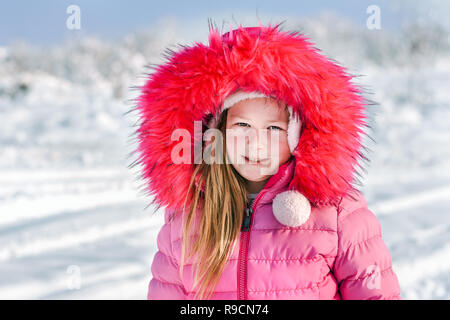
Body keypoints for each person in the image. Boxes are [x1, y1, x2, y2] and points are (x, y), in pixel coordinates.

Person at [135, 22, 402, 300]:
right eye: (242, 126)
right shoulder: (188, 218)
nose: (256, 143)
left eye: (274, 129)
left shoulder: (336, 213)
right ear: (216, 133)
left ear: (300, 136)